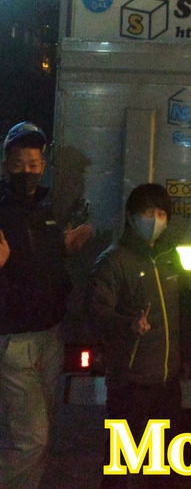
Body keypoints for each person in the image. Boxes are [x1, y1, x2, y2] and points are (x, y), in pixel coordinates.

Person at [0, 121, 92, 489]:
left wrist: (65, 250)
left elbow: (45, 266)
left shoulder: (47, 209)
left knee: (38, 435)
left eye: (34, 164)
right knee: (31, 439)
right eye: (19, 163)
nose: (27, 171)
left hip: (49, 336)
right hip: (14, 339)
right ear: (6, 165)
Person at [85, 183, 191, 489]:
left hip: (167, 382)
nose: (154, 219)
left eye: (161, 213)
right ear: (131, 217)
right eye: (147, 212)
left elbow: (184, 312)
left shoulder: (171, 258)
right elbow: (95, 314)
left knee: (163, 470)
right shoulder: (113, 260)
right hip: (130, 384)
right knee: (121, 469)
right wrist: (127, 325)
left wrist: (186, 357)